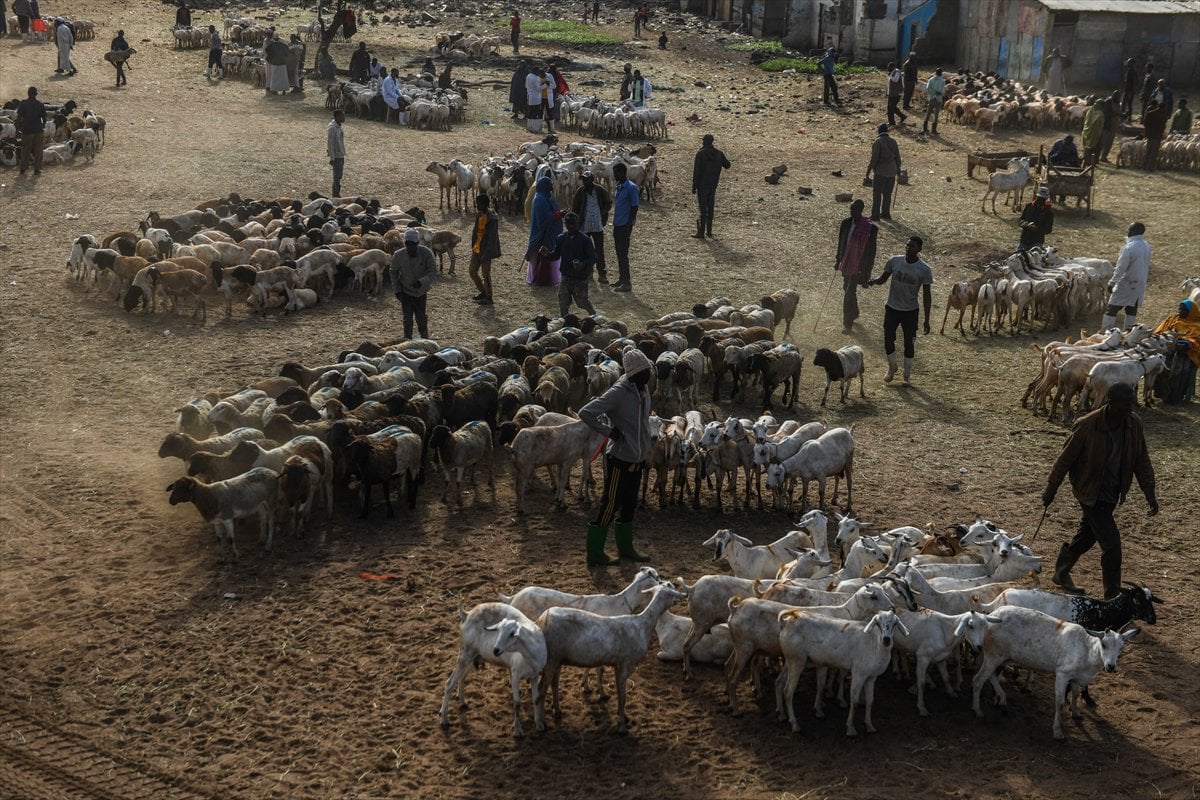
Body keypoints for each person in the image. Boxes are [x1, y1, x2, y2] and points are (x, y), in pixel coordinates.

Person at [1042, 381, 1157, 598]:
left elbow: (1141, 460)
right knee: (1112, 545)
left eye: (1131, 403)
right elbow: (1064, 459)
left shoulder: (1133, 424)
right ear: (1110, 402)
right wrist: (1051, 488)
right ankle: (1112, 595)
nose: (1130, 408)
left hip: (1112, 492)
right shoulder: (1087, 425)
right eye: (1125, 404)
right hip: (1089, 491)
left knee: (1088, 535)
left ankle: (1061, 571)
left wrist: (1149, 492)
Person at [578, 346, 654, 566]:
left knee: (630, 503)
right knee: (610, 504)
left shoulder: (643, 389)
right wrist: (609, 431)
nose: (648, 375)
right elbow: (586, 412)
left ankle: (626, 547)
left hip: (637, 456)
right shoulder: (618, 393)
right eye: (644, 372)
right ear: (633, 374)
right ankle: (595, 552)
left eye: (648, 370)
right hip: (619, 459)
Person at [869, 236, 933, 385]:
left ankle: (907, 376)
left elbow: (927, 295)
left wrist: (927, 319)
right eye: (907, 245)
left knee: (909, 344)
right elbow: (883, 278)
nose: (908, 248)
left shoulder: (924, 269)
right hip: (892, 308)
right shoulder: (894, 261)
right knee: (888, 340)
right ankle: (892, 367)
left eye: (912, 246)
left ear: (919, 249)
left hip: (910, 311)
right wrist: (872, 281)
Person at [834, 199, 878, 333]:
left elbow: (872, 250)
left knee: (849, 291)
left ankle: (847, 324)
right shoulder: (846, 223)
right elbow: (841, 242)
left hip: (859, 265)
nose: (852, 211)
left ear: (861, 210)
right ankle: (855, 312)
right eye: (851, 209)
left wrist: (868, 268)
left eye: (855, 209)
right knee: (846, 287)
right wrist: (838, 259)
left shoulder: (870, 228)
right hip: (847, 262)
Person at [544, 212, 598, 317]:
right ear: (565, 224)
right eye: (569, 224)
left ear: (578, 224)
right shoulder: (562, 238)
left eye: (573, 223)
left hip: (580, 278)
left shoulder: (585, 240)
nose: (571, 226)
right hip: (566, 277)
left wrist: (582, 265)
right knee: (563, 301)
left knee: (582, 302)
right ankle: (565, 322)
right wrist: (547, 255)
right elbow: (555, 255)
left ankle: (594, 316)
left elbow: (593, 258)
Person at [390, 229, 437, 340]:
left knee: (421, 318)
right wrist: (397, 290)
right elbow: (393, 271)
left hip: (420, 292)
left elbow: (432, 271)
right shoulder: (398, 255)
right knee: (407, 319)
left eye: (413, 244)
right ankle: (408, 341)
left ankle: (425, 339)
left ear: (417, 243)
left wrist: (422, 282)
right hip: (405, 291)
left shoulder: (426, 253)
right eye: (408, 244)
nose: (410, 247)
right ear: (405, 243)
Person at [1103, 222, 1151, 331]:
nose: (1128, 232)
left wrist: (1112, 283)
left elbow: (1121, 268)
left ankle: (1105, 333)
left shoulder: (1129, 248)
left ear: (1134, 231)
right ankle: (1128, 334)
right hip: (1140, 282)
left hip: (1127, 282)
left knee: (1111, 308)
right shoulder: (1147, 246)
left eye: (1129, 230)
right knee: (1131, 309)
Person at [1152, 299, 1200, 404]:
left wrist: (1186, 343)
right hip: (1168, 348)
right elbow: (1159, 332)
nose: (1179, 311)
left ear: (1191, 312)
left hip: (1187, 353)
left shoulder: (1197, 324)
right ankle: (1160, 392)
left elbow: (1197, 340)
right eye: (1179, 309)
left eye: (1183, 310)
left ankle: (1173, 396)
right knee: (1160, 365)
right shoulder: (1172, 319)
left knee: (1179, 370)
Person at [572, 171, 612, 284]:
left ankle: (602, 274)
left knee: (599, 250)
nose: (584, 181)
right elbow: (575, 207)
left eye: (587, 179)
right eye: (583, 179)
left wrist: (603, 212)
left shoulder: (599, 190)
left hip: (597, 225)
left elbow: (608, 202)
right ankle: (588, 272)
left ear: (592, 180)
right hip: (584, 225)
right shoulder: (580, 191)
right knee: (585, 250)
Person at [691, 133, 731, 239]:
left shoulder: (700, 154)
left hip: (702, 185)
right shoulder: (719, 154)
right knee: (711, 208)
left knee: (702, 209)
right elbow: (727, 165)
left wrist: (694, 186)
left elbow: (697, 172)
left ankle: (701, 232)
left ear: (704, 141)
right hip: (713, 185)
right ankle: (709, 231)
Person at [526, 176, 563, 287]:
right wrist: (557, 215)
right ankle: (541, 280)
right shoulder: (539, 200)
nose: (552, 185)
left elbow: (551, 211)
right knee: (543, 256)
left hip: (550, 233)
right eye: (550, 184)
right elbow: (542, 219)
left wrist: (558, 213)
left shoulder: (547, 197)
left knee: (547, 256)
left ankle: (547, 279)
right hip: (542, 234)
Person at [610, 163, 639, 292]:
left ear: (622, 173)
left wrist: (629, 224)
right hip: (618, 223)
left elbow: (634, 207)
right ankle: (622, 278)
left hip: (624, 226)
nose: (614, 175)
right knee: (619, 253)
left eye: (616, 173)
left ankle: (626, 282)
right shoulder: (619, 186)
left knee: (623, 253)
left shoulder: (631, 188)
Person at [469, 194, 500, 306]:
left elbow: (492, 238)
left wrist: (486, 253)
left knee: (485, 274)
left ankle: (489, 297)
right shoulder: (480, 215)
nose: (477, 206)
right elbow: (476, 231)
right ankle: (483, 292)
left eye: (479, 204)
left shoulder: (492, 218)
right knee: (472, 271)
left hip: (486, 249)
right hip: (477, 248)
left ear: (485, 204)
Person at [865, 123, 901, 221]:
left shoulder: (878, 142)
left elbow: (874, 158)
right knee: (887, 194)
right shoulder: (893, 141)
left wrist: (868, 171)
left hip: (881, 171)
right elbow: (898, 158)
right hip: (892, 171)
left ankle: (875, 215)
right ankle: (885, 213)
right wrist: (898, 171)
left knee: (877, 193)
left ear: (879, 131)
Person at [16, 86, 46, 176]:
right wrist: (42, 126)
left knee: (25, 150)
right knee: (38, 150)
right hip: (38, 130)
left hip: (27, 130)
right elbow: (44, 118)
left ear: (28, 94)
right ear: (36, 94)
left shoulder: (23, 103)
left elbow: (19, 118)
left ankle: (23, 169)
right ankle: (37, 169)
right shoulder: (40, 104)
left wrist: (17, 129)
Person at [1018, 186, 1055, 252]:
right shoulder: (1029, 206)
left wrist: (1036, 228)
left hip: (1037, 241)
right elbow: (1020, 220)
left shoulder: (1049, 213)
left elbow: (1048, 229)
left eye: (1042, 198)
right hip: (1024, 239)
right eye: (1039, 197)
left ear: (1046, 199)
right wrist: (1024, 223)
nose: (1040, 200)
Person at [1142, 101, 1168, 171]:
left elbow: (1145, 124)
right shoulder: (1162, 116)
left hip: (1150, 135)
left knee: (1148, 151)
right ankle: (1150, 167)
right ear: (1163, 108)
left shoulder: (1150, 113)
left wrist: (1147, 133)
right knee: (1154, 152)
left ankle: (1144, 166)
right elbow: (1163, 126)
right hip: (1157, 136)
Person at [327, 109, 345, 197]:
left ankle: (336, 192)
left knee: (339, 175)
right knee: (337, 176)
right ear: (337, 117)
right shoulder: (332, 128)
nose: (344, 117)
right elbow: (330, 143)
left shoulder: (339, 126)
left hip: (341, 153)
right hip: (336, 155)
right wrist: (332, 157)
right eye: (342, 115)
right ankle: (335, 193)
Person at [1081, 99, 1104, 166]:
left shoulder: (1090, 110)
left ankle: (1086, 161)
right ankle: (1092, 162)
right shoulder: (1100, 114)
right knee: (1094, 148)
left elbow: (1086, 120)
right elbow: (1100, 125)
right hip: (1095, 134)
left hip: (1086, 131)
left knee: (1087, 147)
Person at [923, 67, 945, 134]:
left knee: (928, 113)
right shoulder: (942, 81)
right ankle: (933, 130)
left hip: (931, 98)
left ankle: (925, 128)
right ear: (941, 73)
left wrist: (933, 93)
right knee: (936, 114)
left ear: (935, 73)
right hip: (938, 99)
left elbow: (928, 88)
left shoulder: (930, 79)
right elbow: (942, 91)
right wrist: (938, 93)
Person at [1099, 91, 1120, 162]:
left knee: (1109, 144)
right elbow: (1106, 113)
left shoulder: (1117, 103)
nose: (1118, 98)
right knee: (1102, 142)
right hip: (1106, 126)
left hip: (1113, 127)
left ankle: (1104, 157)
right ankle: (1097, 156)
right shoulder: (1108, 102)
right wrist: (1116, 114)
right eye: (1116, 96)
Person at [525, 65, 546, 132]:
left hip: (529, 96)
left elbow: (526, 85)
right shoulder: (535, 78)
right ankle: (535, 128)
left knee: (530, 112)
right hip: (536, 98)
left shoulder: (528, 76)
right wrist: (545, 85)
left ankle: (529, 126)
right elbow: (538, 89)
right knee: (535, 113)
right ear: (536, 71)